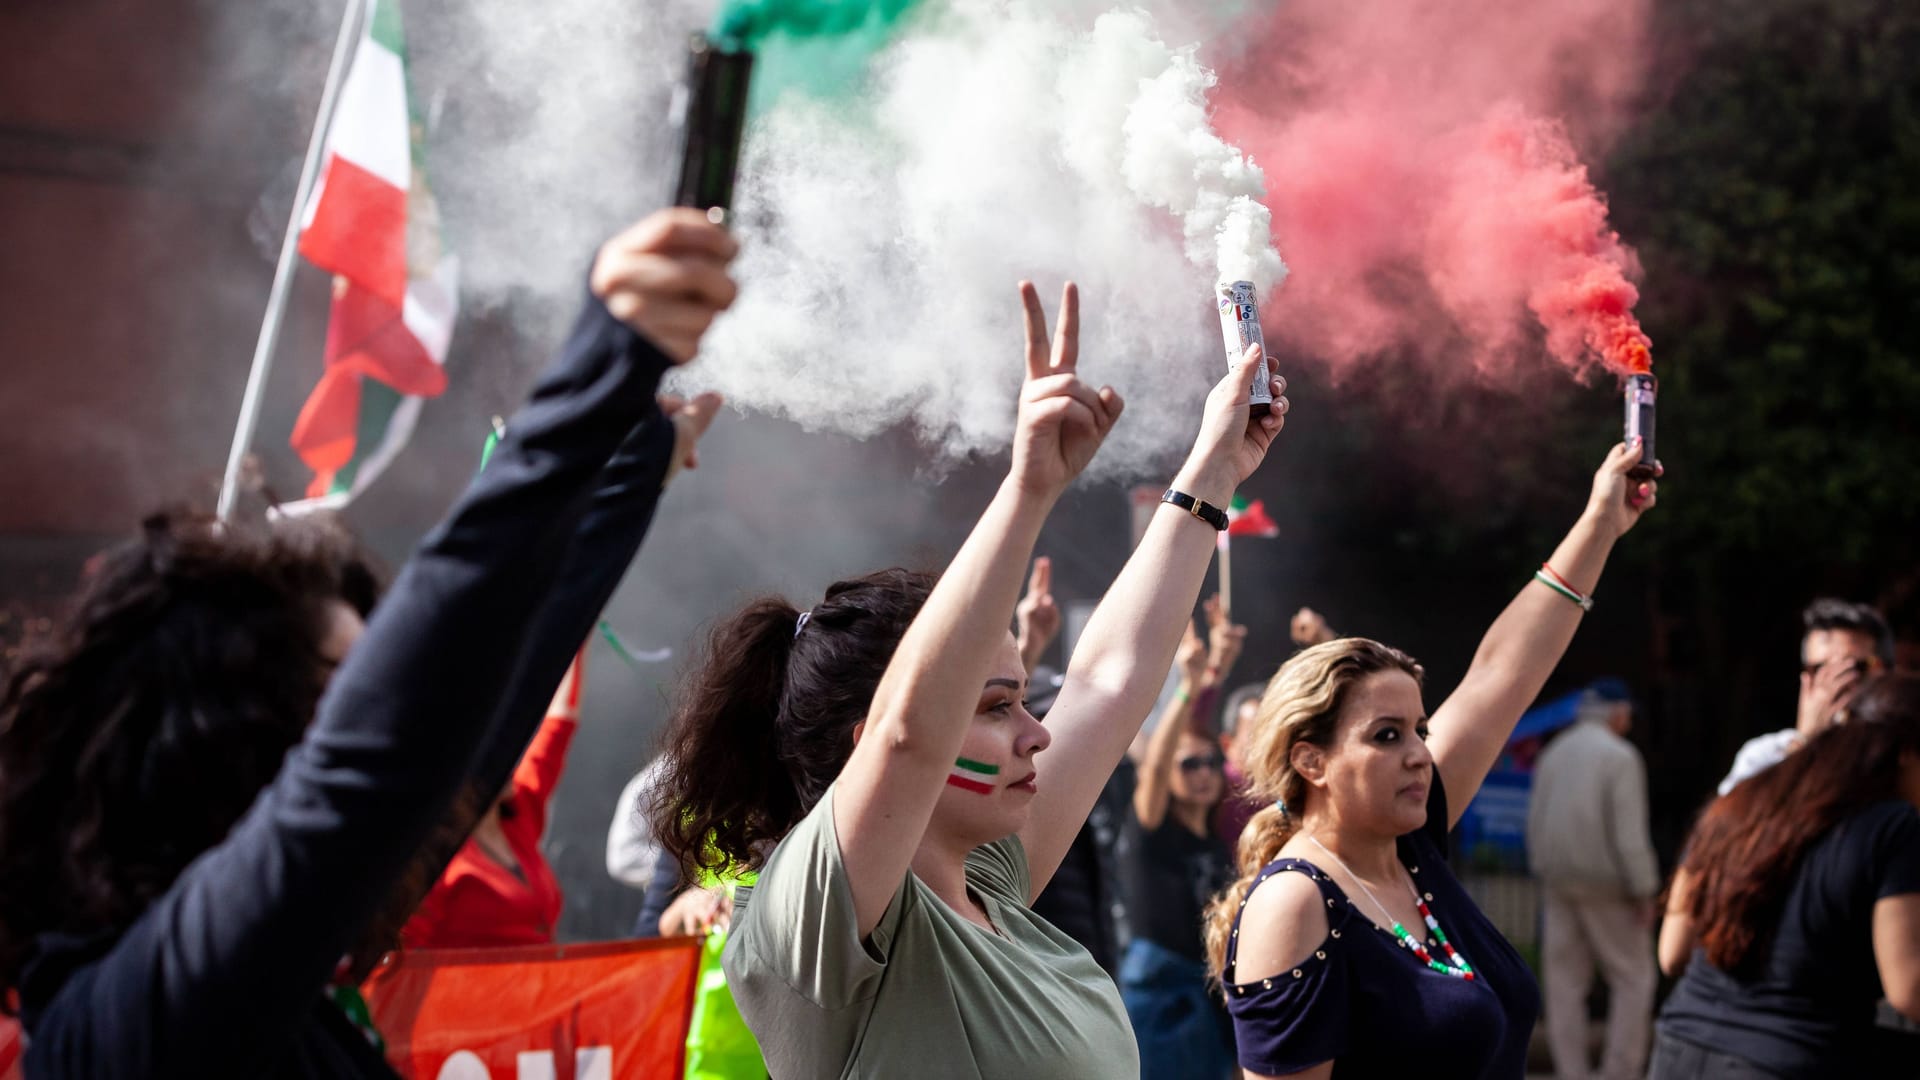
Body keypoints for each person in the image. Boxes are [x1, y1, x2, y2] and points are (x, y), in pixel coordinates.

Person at [0, 206, 739, 1077]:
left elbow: (488, 701)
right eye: (342, 689)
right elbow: (388, 743)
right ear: (223, 741)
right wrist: (598, 371)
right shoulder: (138, 1018)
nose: (391, 719)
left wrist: (623, 472)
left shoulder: (287, 974)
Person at [651, 282, 1287, 1078]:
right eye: (995, 708)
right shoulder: (805, 918)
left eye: (1020, 700)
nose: (1038, 732)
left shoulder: (995, 884)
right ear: (867, 744)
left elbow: (1106, 680)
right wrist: (1027, 490)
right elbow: (910, 734)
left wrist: (1215, 468)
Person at [1205, 441, 1660, 1080]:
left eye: (1419, 729)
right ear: (1312, 761)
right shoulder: (1295, 904)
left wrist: (1601, 522)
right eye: (1387, 736)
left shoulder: (1409, 847)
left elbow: (1503, 673)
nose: (1421, 753)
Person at [1654, 673, 1920, 1078]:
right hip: (1786, 1059)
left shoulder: (1739, 802)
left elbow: (1672, 952)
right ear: (1905, 754)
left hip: (1678, 1050)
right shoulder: (1894, 828)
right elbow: (1909, 988)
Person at [1120, 601, 1244, 1078]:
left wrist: (1218, 667)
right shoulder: (1151, 824)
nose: (1204, 774)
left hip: (1214, 991)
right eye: (1189, 765)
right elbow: (1154, 763)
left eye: (1211, 763)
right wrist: (1190, 685)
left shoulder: (1217, 837)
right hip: (1162, 992)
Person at [402, 656, 586, 949]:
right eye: (496, 754)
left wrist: (576, 634)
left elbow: (559, 724)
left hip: (542, 991)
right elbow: (400, 964)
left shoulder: (517, 816)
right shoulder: (434, 855)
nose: (511, 759)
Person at [1528, 678, 1660, 1080]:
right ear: (1618, 714)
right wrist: (1645, 889)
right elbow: (1628, 833)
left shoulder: (1554, 752)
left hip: (1557, 880)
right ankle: (1619, 1072)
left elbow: (1534, 819)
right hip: (1609, 884)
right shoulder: (1620, 756)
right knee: (1634, 978)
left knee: (1565, 982)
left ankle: (1572, 1072)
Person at [1718, 598, 1894, 794]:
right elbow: (1739, 822)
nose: (1837, 683)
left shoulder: (1905, 757)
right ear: (1805, 677)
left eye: (1854, 668)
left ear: (1885, 671)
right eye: (1820, 668)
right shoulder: (1764, 755)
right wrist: (1806, 743)